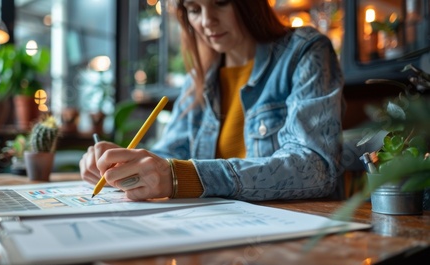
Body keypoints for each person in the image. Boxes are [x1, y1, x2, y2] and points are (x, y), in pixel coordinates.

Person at [80, 0, 344, 201]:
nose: (207, 21)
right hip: (213, 234)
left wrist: (183, 177)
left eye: (220, 2)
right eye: (194, 8)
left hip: (292, 237)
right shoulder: (198, 79)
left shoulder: (304, 51)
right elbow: (169, 156)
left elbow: (314, 167)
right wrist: (124, 164)